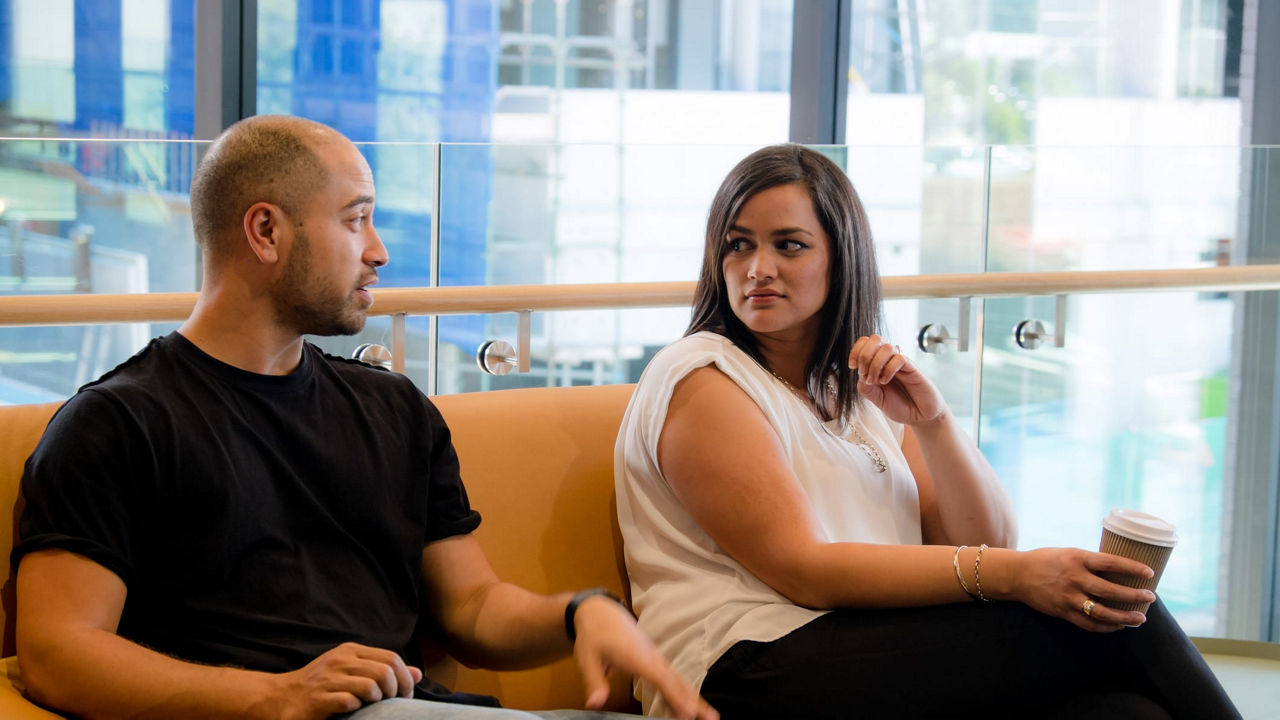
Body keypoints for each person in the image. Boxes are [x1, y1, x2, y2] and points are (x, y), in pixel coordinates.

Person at [11, 115, 717, 720]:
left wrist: (581, 612)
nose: (379, 250)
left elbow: (471, 609)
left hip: (412, 710)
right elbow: (54, 652)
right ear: (265, 231)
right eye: (356, 219)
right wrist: (275, 698)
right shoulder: (115, 424)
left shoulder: (394, 408)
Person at [613, 144, 1240, 719]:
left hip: (863, 646)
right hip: (739, 668)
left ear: (842, 256)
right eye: (739, 244)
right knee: (1118, 616)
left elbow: (986, 537)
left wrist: (935, 424)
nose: (757, 268)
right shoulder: (701, 375)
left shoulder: (856, 389)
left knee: (1127, 714)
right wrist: (1019, 575)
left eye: (789, 245)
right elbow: (803, 571)